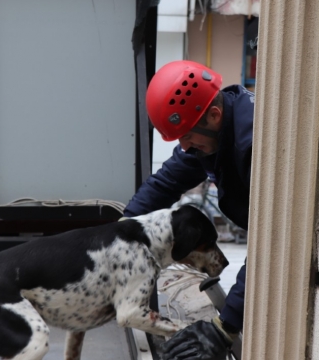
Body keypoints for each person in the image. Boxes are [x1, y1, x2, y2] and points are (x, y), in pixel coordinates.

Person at [123, 60, 255, 360]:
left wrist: (225, 327)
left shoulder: (253, 147)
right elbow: (166, 182)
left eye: (186, 136)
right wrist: (122, 229)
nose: (184, 147)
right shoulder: (214, 132)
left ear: (214, 115)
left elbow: (272, 245)